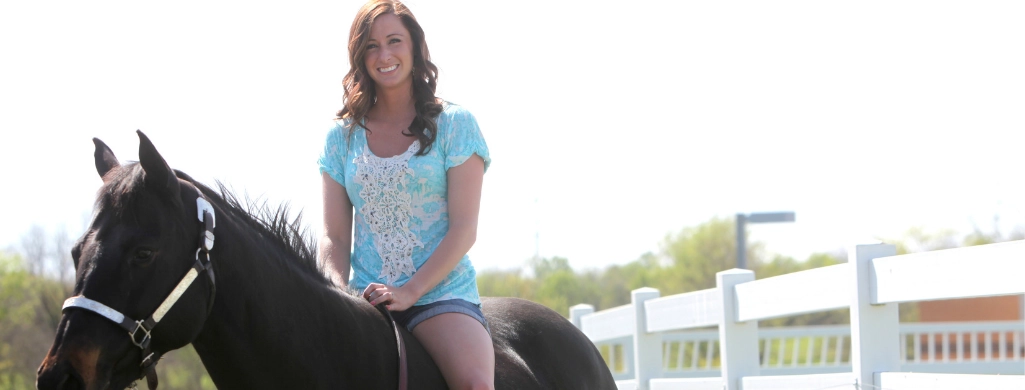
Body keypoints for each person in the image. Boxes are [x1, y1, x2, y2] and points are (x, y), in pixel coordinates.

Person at [317, 1, 494, 389]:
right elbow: (334, 237)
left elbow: (464, 230)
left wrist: (410, 291)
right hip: (365, 301)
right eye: (371, 46)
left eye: (394, 41)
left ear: (415, 46)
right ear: (360, 57)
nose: (384, 55)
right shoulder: (340, 137)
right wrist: (332, 291)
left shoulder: (455, 125)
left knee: (474, 384)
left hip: (440, 296)